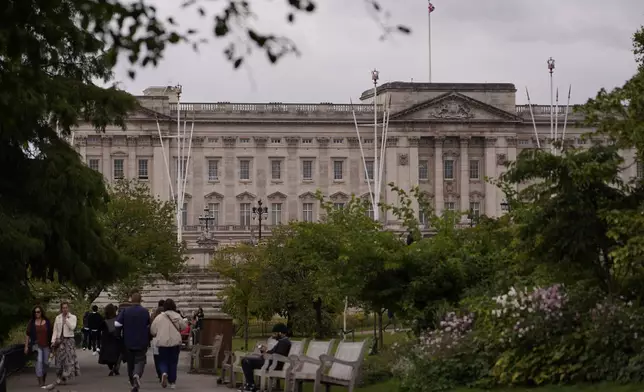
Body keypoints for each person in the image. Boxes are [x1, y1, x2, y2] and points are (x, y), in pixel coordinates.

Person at [115, 291, 150, 392]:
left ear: (131, 300)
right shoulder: (145, 311)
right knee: (140, 360)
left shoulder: (125, 311)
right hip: (142, 341)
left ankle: (132, 381)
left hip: (128, 341)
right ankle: (137, 375)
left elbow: (117, 324)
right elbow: (148, 325)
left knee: (130, 363)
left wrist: (118, 335)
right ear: (140, 300)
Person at [240, 323, 291, 392]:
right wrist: (264, 350)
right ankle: (250, 384)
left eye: (275, 333)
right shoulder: (282, 341)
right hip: (269, 361)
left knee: (246, 361)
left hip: (273, 364)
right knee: (246, 360)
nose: (274, 335)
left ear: (280, 333)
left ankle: (251, 385)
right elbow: (272, 352)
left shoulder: (284, 342)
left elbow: (278, 355)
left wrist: (266, 354)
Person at [150, 299, 187, 389]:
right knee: (173, 362)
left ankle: (164, 372)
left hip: (162, 342)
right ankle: (172, 382)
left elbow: (153, 331)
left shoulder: (159, 317)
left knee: (162, 360)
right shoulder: (177, 316)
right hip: (175, 342)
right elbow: (184, 327)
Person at [49, 302, 79, 387]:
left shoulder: (73, 317)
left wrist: (66, 320)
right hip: (59, 341)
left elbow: (73, 327)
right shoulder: (58, 318)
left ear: (68, 308)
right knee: (59, 360)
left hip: (69, 340)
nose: (65, 309)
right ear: (61, 309)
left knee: (68, 360)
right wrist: (53, 341)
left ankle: (64, 377)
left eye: (66, 308)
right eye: (63, 308)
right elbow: (55, 330)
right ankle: (59, 375)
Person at [24, 305, 52, 387]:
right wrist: (26, 346)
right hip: (36, 345)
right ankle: (40, 381)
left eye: (38, 311)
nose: (37, 313)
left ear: (41, 312)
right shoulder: (31, 322)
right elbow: (27, 335)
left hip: (46, 345)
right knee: (39, 362)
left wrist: (53, 343)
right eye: (35, 312)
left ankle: (43, 378)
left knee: (46, 363)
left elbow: (51, 332)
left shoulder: (46, 322)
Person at [98, 304, 123, 376]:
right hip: (116, 338)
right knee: (117, 354)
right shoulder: (117, 319)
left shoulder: (104, 320)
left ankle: (111, 367)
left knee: (107, 355)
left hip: (106, 339)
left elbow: (99, 329)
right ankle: (116, 367)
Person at [151, 299, 166, 382]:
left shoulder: (154, 315)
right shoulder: (167, 315)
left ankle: (159, 373)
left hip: (156, 339)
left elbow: (151, 327)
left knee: (156, 357)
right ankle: (164, 371)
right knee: (164, 356)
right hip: (165, 338)